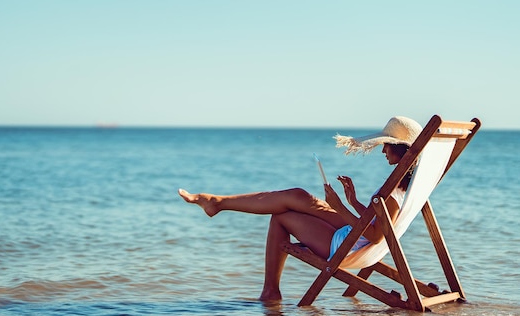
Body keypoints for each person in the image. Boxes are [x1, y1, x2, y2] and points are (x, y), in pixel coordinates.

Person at [178, 116, 423, 302]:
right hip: (358, 238)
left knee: (280, 218)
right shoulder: (409, 186)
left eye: (387, 144)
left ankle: (270, 292)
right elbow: (379, 225)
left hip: (348, 246)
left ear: (401, 149)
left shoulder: (393, 193)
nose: (382, 149)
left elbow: (378, 235)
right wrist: (353, 202)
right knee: (300, 196)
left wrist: (338, 205)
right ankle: (218, 202)